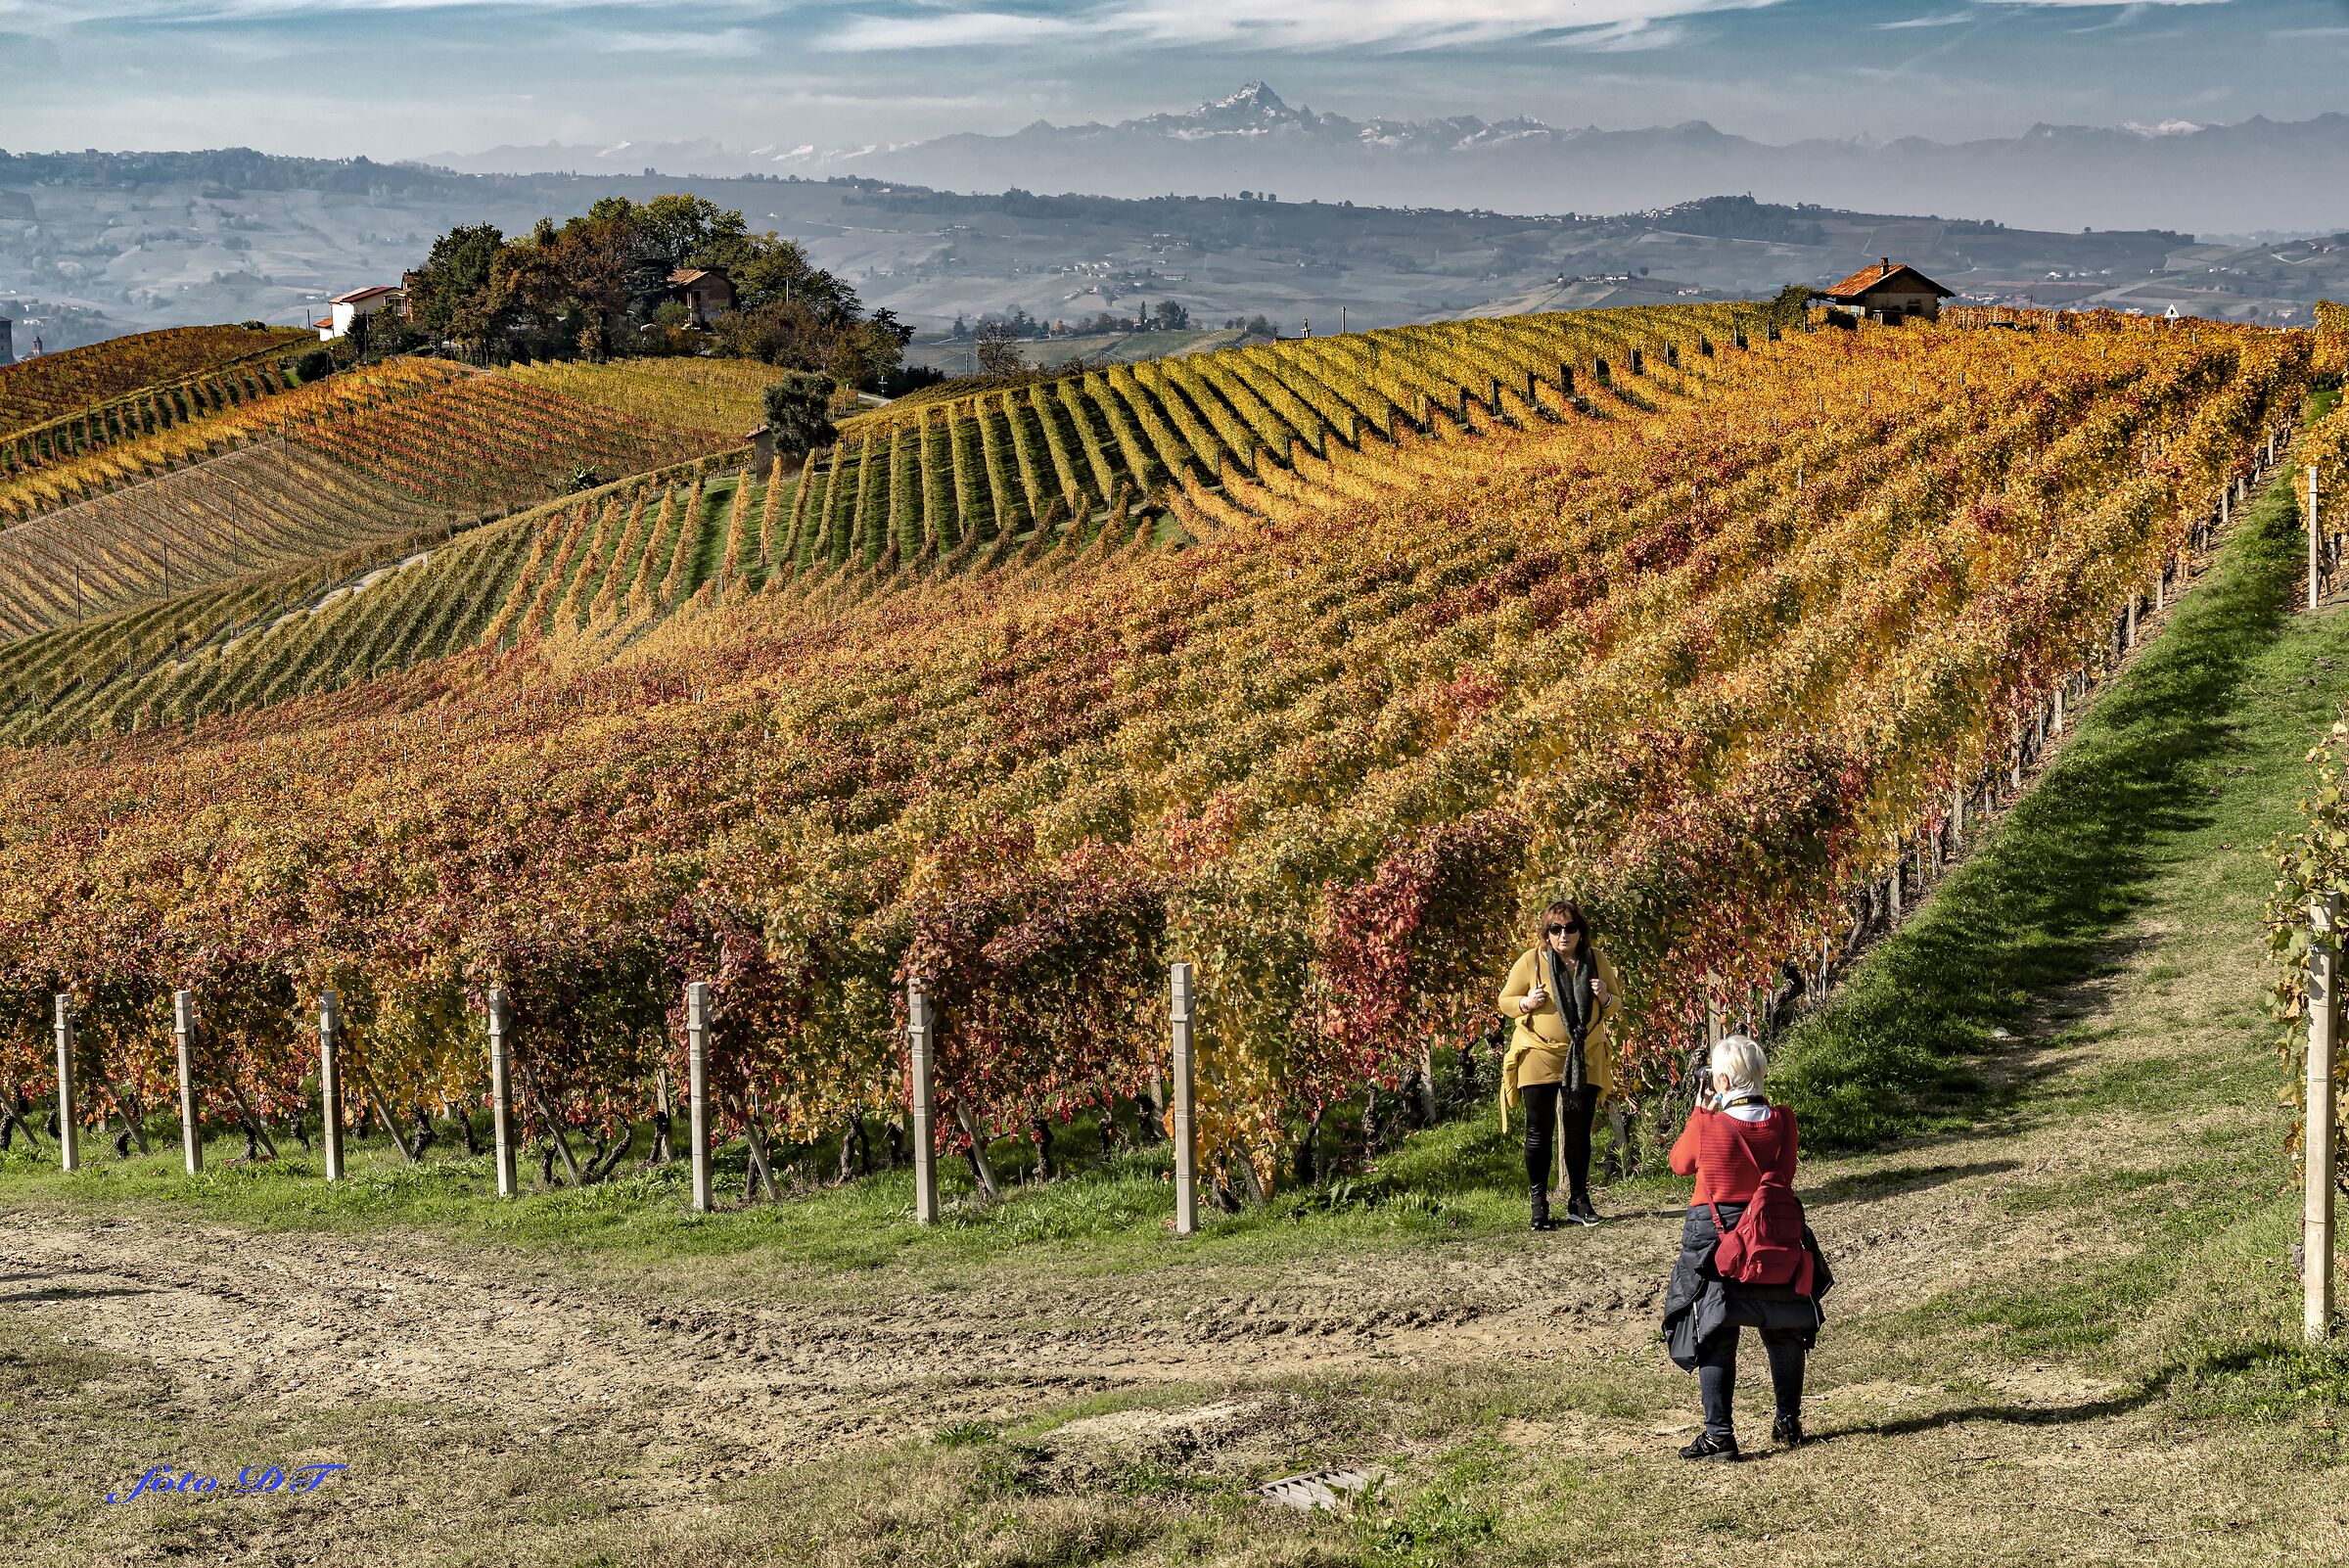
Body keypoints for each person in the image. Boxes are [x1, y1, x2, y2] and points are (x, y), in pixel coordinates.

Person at [1660, 1035, 1830, 1461]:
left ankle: (1720, 1435)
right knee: (1784, 1322)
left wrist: (1700, 1111)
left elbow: (1679, 1165)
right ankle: (1788, 1420)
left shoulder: (1708, 1123)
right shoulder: (1784, 1121)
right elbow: (1783, 1174)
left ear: (1720, 1079)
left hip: (1717, 1235)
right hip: (1773, 1229)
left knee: (1715, 1329)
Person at [1496, 899, 1619, 1230]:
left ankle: (1579, 1201)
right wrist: (1526, 1002)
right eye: (1556, 928)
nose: (1563, 935)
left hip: (1585, 1055)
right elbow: (1505, 1000)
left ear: (1580, 931)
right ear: (1546, 933)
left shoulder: (1596, 960)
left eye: (1570, 928)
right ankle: (1539, 1205)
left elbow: (1616, 1003)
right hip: (1538, 1054)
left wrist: (1605, 996)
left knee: (1579, 1133)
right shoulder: (1530, 961)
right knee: (1539, 1131)